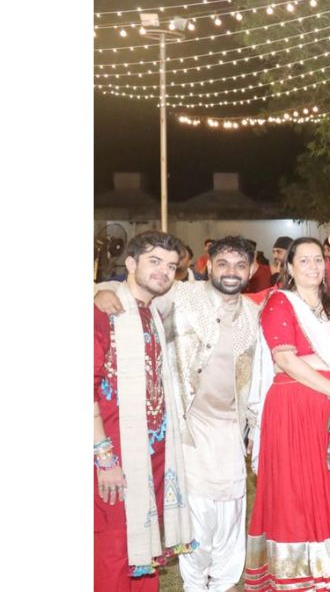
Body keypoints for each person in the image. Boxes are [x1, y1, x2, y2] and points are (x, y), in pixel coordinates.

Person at [96, 235, 262, 592]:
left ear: (253, 270)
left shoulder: (255, 312)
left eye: (240, 265)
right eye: (222, 264)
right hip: (187, 427)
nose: (231, 272)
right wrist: (100, 290)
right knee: (196, 513)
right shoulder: (181, 295)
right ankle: (195, 584)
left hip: (231, 429)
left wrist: (254, 427)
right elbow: (135, 288)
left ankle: (223, 583)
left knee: (232, 514)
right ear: (207, 265)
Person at [244, 237, 330, 591]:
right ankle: (301, 577)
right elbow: (285, 359)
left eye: (318, 259)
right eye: (303, 261)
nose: (313, 266)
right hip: (295, 408)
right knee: (299, 490)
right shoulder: (280, 303)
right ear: (289, 268)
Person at [94, 231, 195, 591]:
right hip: (112, 452)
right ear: (131, 263)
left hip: (152, 453)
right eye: (154, 261)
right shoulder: (103, 312)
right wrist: (103, 456)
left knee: (142, 548)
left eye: (171, 266)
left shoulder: (153, 310)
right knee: (112, 550)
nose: (163, 272)